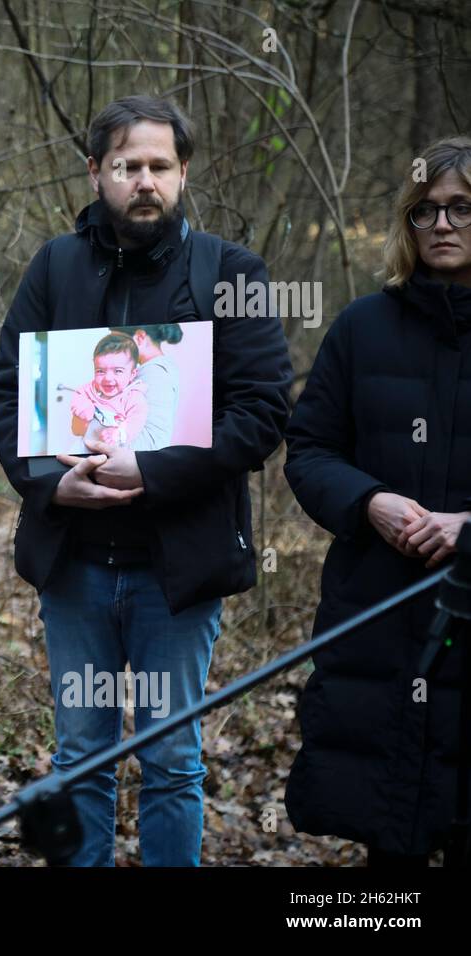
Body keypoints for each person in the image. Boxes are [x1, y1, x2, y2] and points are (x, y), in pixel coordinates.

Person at [0, 95, 292, 866]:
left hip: (176, 570)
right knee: (79, 758)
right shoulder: (56, 265)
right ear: (96, 173)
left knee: (171, 763)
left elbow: (261, 412)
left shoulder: (230, 273)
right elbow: (4, 393)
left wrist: (151, 470)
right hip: (75, 563)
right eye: (126, 166)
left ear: (183, 173)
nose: (143, 181)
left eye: (159, 166)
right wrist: (51, 483)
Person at [283, 136, 471, 867]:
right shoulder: (364, 327)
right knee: (389, 839)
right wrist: (371, 502)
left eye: (461, 208)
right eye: (425, 210)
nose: (443, 225)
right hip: (379, 617)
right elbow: (310, 449)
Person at [67, 332, 148, 450]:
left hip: (114, 451)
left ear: (132, 374)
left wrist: (118, 433)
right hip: (85, 446)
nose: (108, 378)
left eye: (118, 371)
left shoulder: (133, 397)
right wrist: (84, 408)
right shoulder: (92, 388)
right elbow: (79, 394)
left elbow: (137, 420)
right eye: (100, 371)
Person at [126, 323, 184, 451]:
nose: (112, 349)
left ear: (140, 337)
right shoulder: (154, 369)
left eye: (116, 342)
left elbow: (151, 442)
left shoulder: (154, 373)